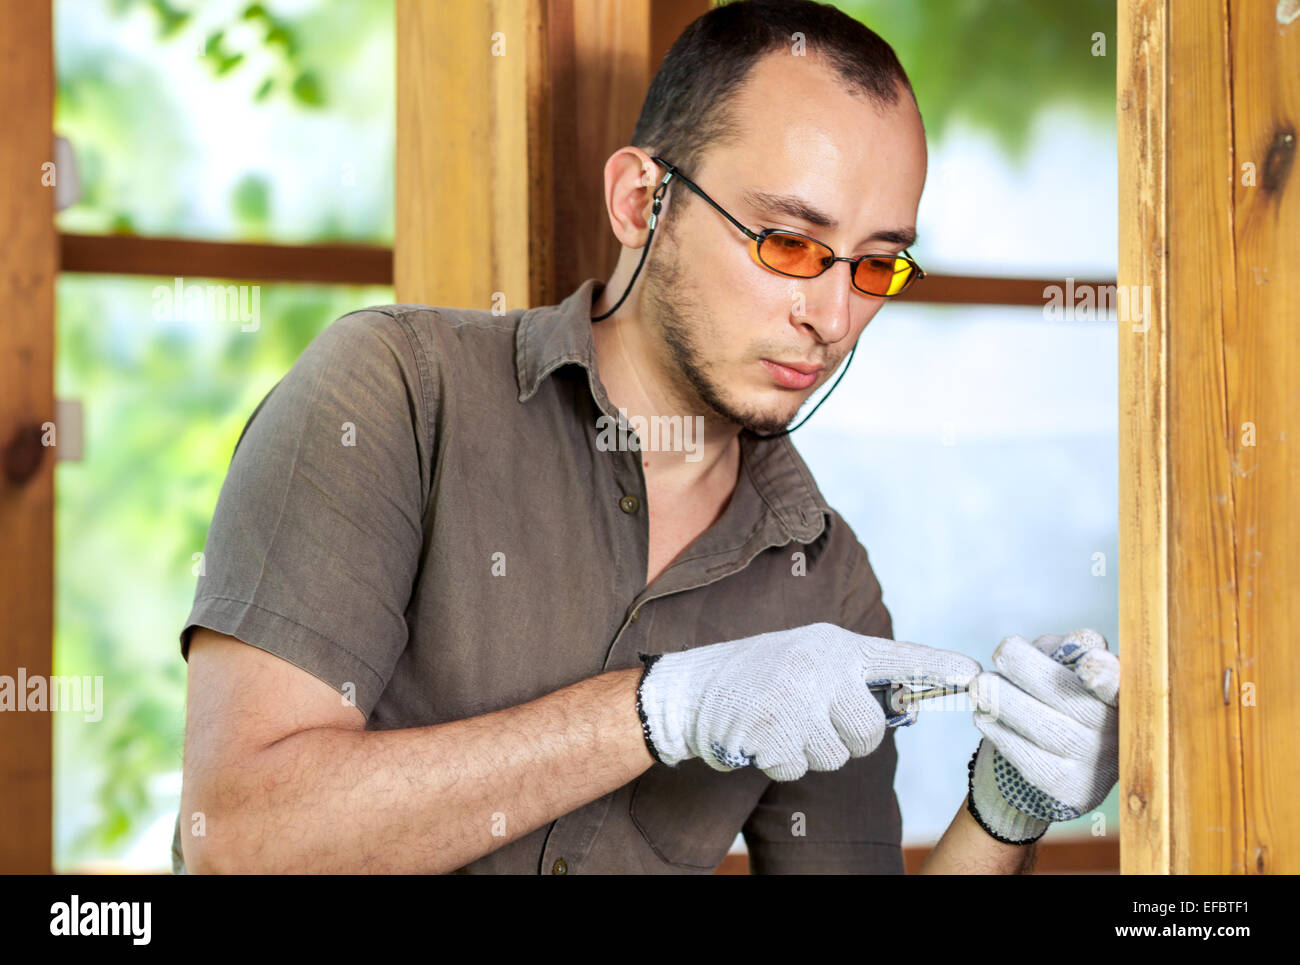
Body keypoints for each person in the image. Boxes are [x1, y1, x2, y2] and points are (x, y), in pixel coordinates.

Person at [174, 0, 1119, 875]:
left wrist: (1008, 802)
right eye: (788, 244)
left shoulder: (824, 582)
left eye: (876, 267)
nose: (832, 315)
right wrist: (661, 708)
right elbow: (242, 836)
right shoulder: (396, 393)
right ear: (641, 202)